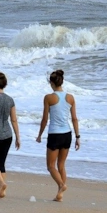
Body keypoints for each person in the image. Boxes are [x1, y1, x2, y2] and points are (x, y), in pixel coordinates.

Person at [36, 69, 80, 201]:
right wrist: (78, 137)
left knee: (50, 166)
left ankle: (61, 185)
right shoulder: (70, 97)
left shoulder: (49, 97)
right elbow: (74, 119)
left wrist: (39, 135)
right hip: (67, 134)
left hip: (55, 134)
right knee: (61, 165)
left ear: (51, 83)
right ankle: (60, 194)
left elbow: (45, 119)